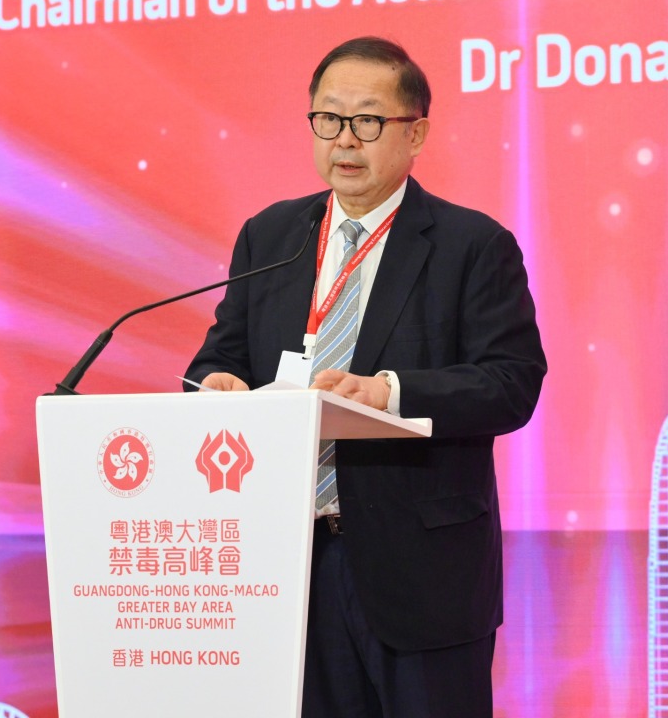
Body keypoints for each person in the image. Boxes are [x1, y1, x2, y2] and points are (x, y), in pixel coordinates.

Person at [185, 36, 546, 717]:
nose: (345, 140)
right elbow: (220, 356)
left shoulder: (472, 245)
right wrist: (217, 384)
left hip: (422, 575)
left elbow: (511, 382)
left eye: (369, 121)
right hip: (285, 567)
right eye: (328, 119)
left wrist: (390, 392)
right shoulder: (272, 235)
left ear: (417, 134)